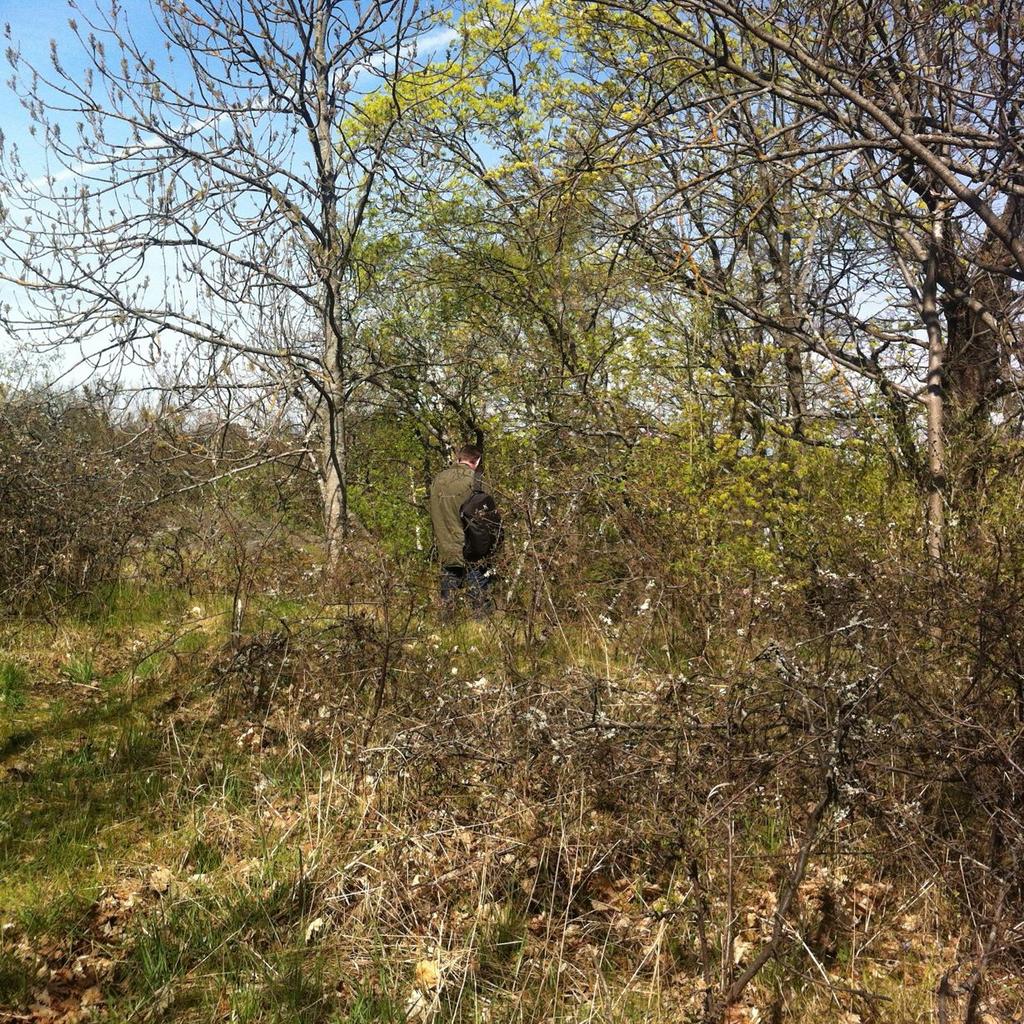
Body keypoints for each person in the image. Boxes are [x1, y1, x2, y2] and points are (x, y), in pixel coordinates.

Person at [428, 443, 501, 614]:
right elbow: (488, 520)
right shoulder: (476, 481)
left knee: (447, 604)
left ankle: (446, 635)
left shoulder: (438, 480)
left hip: (446, 549)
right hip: (472, 551)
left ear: (459, 458)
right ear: (477, 461)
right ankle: (479, 635)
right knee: (480, 606)